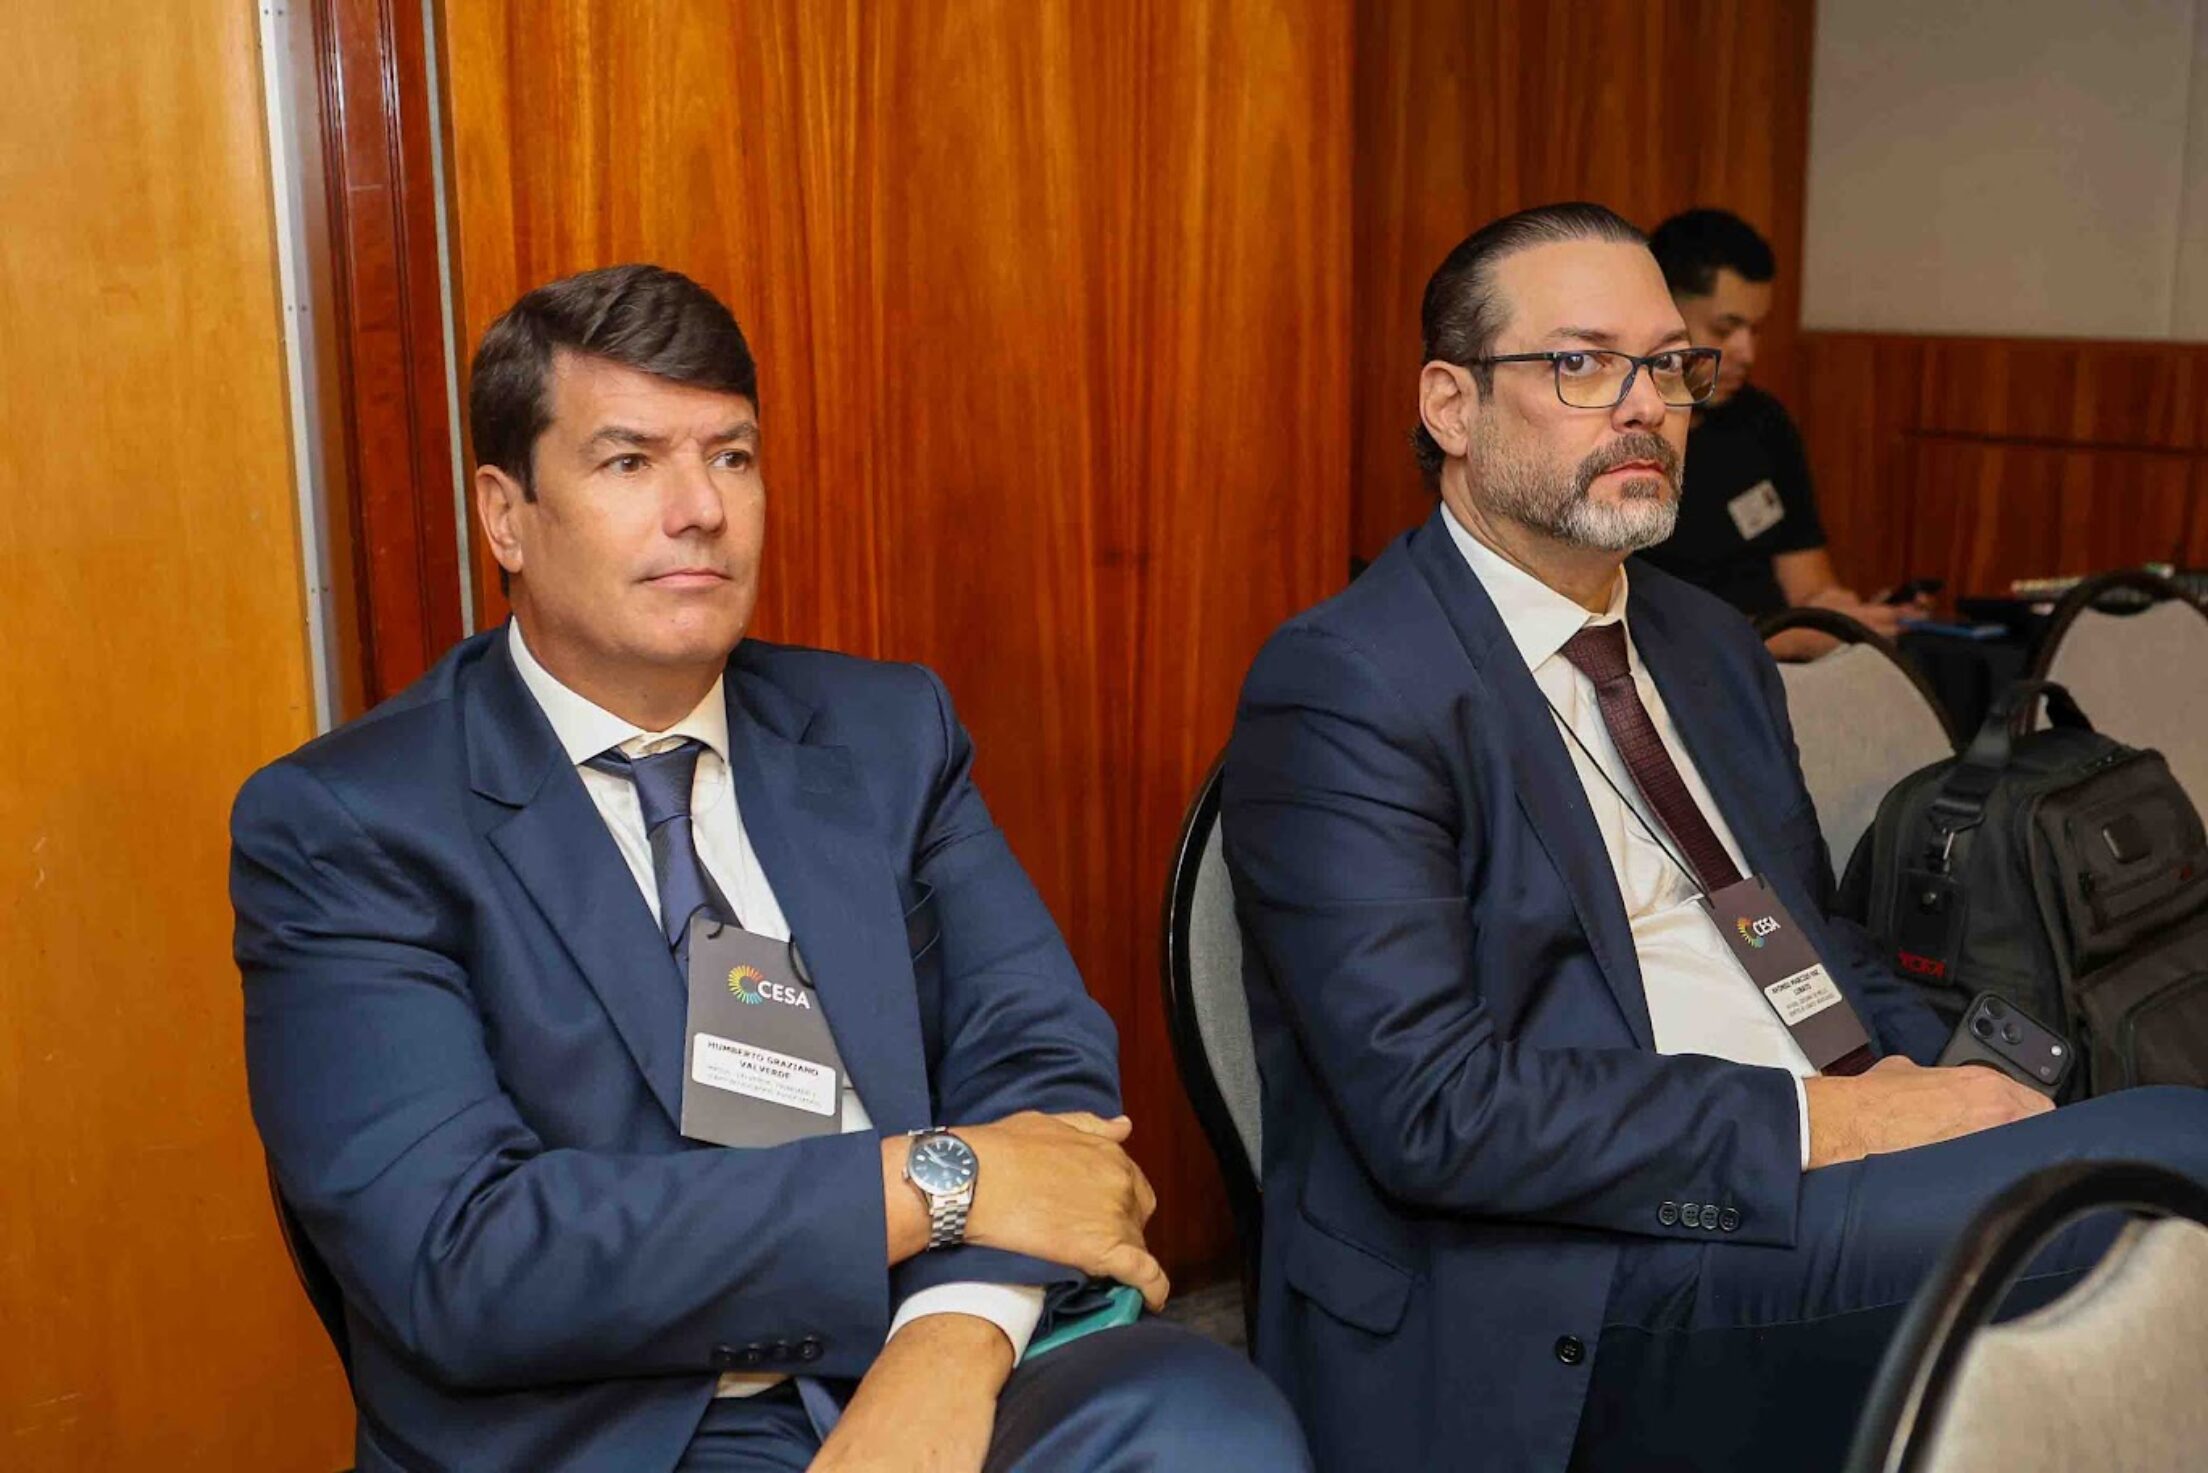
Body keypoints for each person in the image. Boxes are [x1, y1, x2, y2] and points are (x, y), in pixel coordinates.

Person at [232, 265, 1308, 1473]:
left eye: (732, 456)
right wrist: (937, 1183)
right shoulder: (349, 824)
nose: (700, 508)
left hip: (929, 1335)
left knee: (1211, 1425)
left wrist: (947, 1345)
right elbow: (464, 1255)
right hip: (616, 1419)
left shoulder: (885, 734)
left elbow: (1040, 1068)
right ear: (505, 516)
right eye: (629, 460)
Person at [1220, 203, 2208, 1473]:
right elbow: (1438, 1110)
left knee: (2135, 1153)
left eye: (1669, 365)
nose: (1646, 405)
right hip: (1568, 1269)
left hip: (1809, 1155)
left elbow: (1809, 938)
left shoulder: (1704, 644)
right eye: (1581, 364)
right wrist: (1826, 1125)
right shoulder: (1350, 683)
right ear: (1451, 406)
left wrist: (1938, 1084)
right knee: (2162, 1174)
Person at [1639, 207, 1926, 658]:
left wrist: (1848, 615)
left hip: (1786, 662)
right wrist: (1791, 635)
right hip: (1694, 667)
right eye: (1725, 329)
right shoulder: (1626, 433)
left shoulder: (1762, 421)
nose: (1746, 352)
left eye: (1755, 329)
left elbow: (1810, 586)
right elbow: (1636, 630)